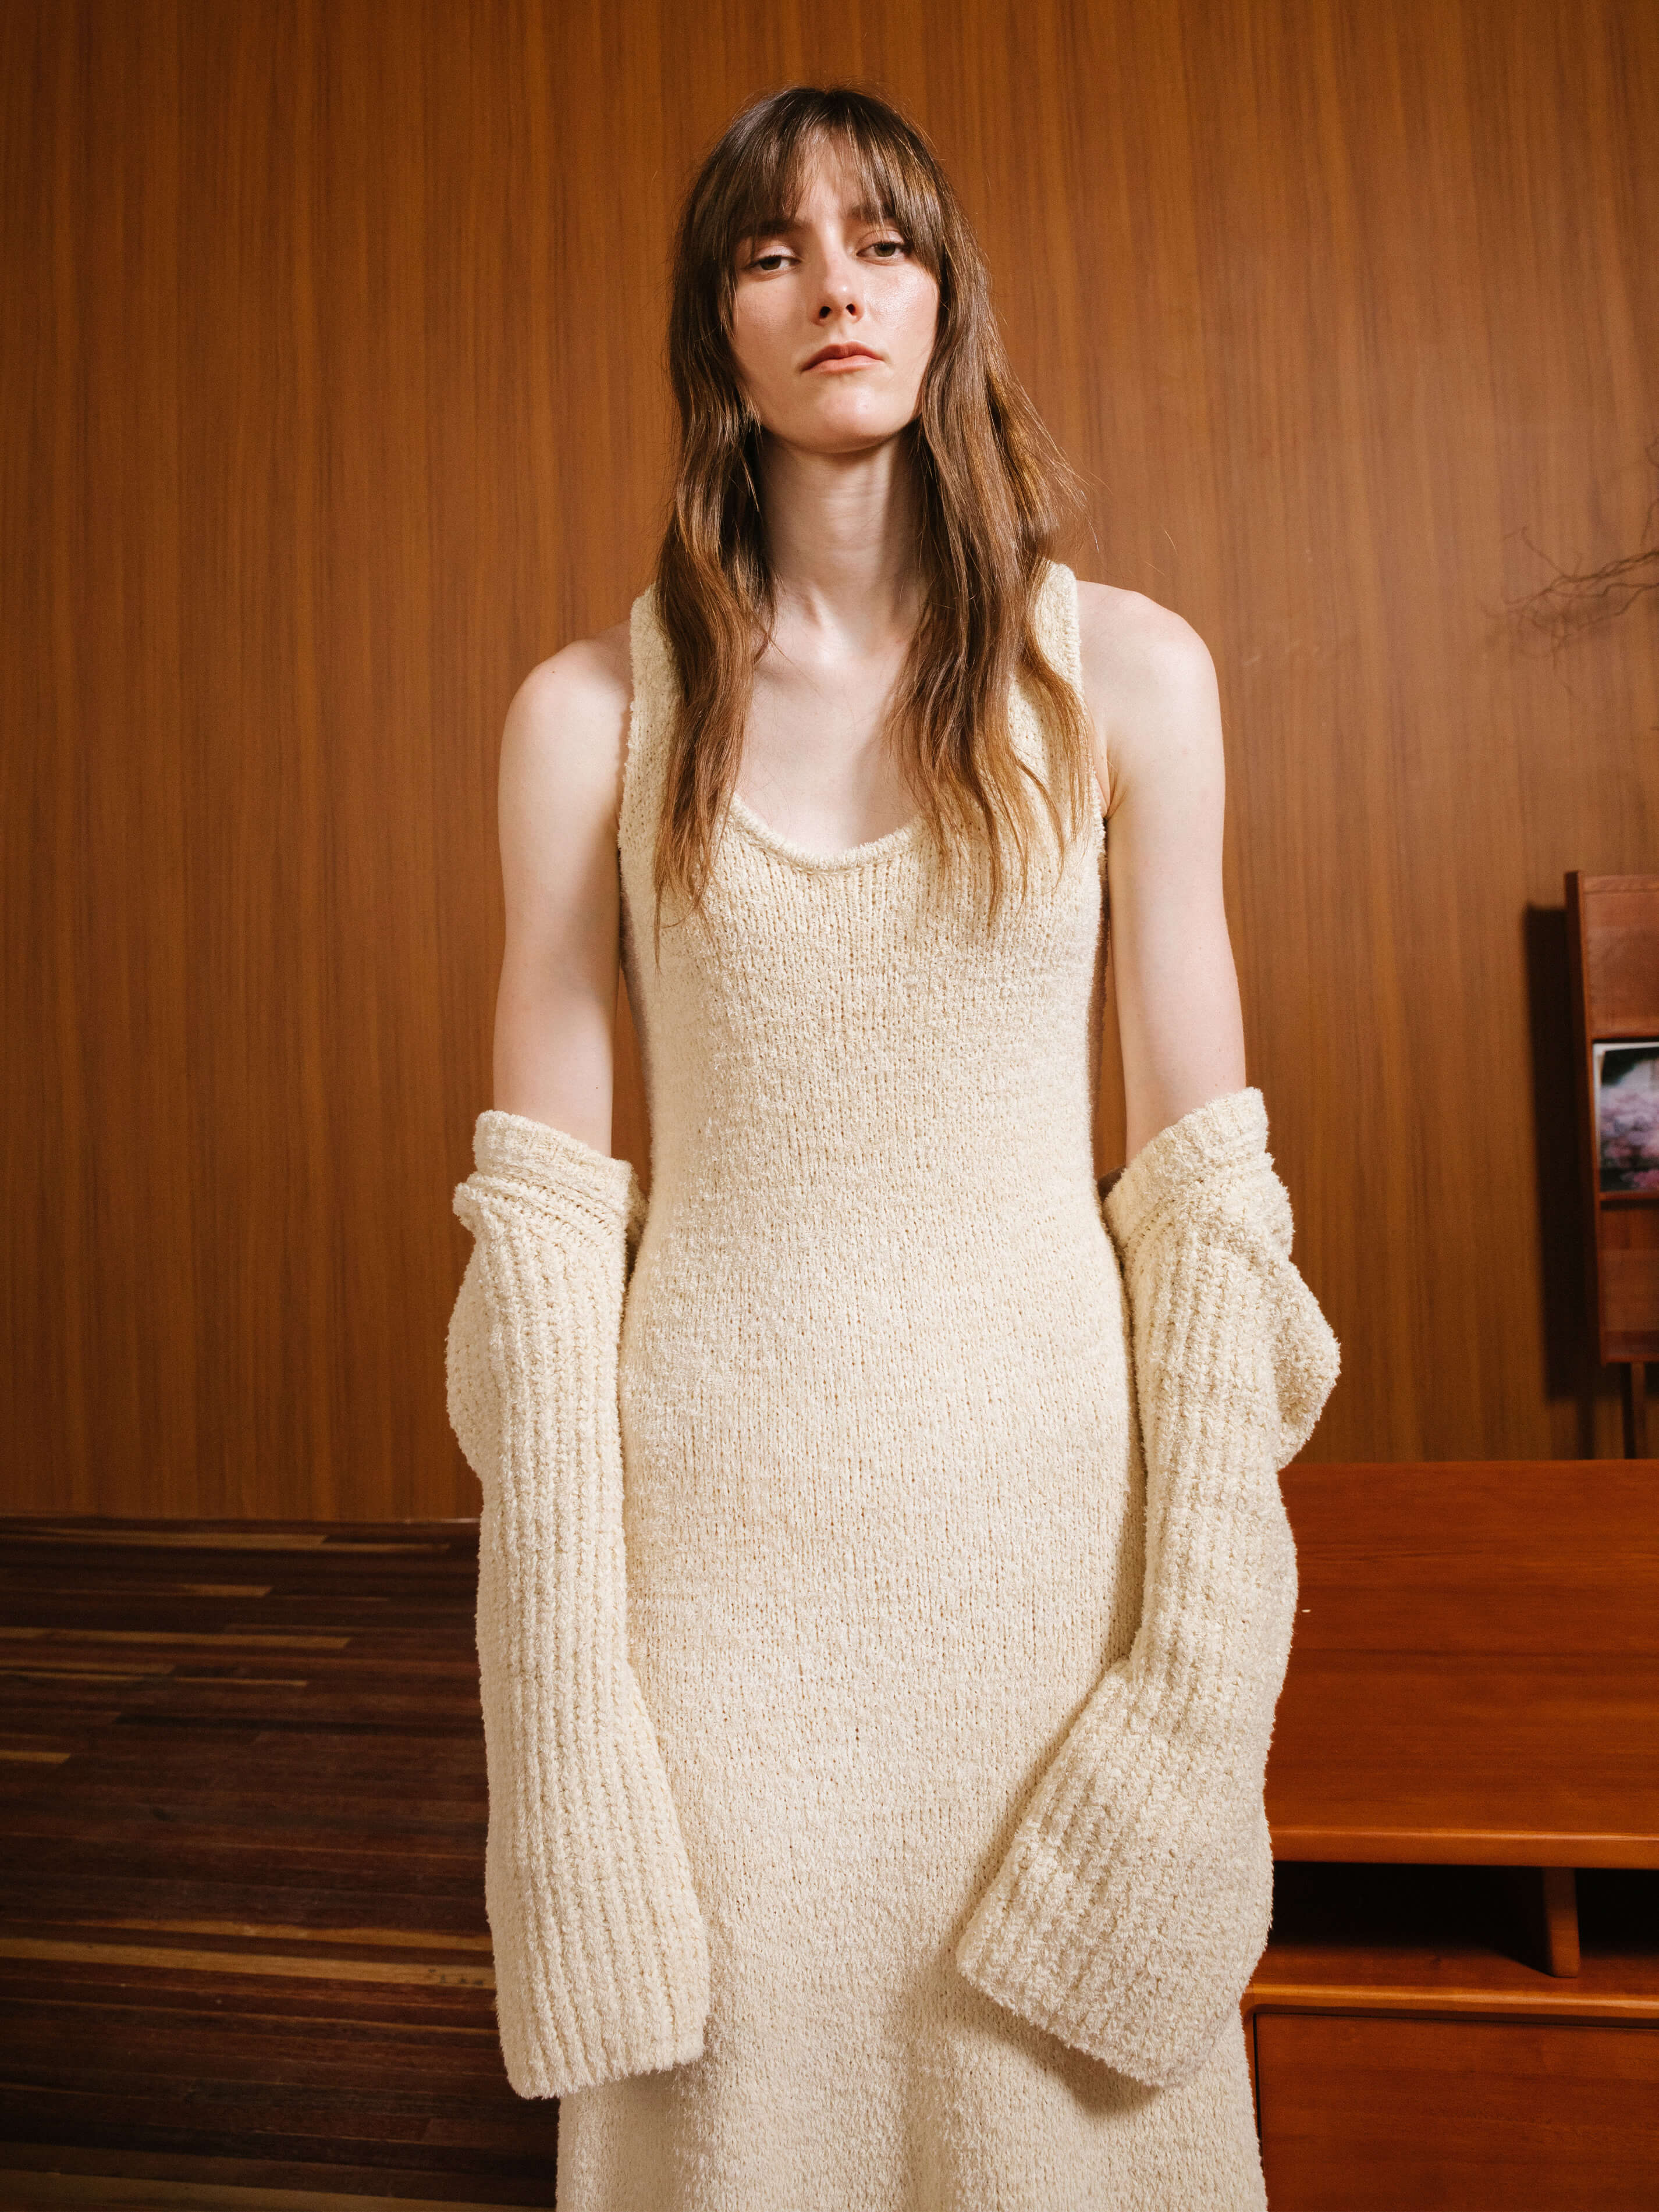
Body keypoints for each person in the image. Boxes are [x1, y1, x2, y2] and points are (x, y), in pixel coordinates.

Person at [445, 83, 1339, 2212]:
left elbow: (1205, 1210)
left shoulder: (1129, 676)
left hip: (1044, 1559)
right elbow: (542, 1258)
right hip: (716, 1582)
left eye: (882, 241)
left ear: (946, 299)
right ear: (717, 327)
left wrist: (1194, 1678)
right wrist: (567, 1730)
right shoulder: (590, 718)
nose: (833, 287)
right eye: (772, 252)